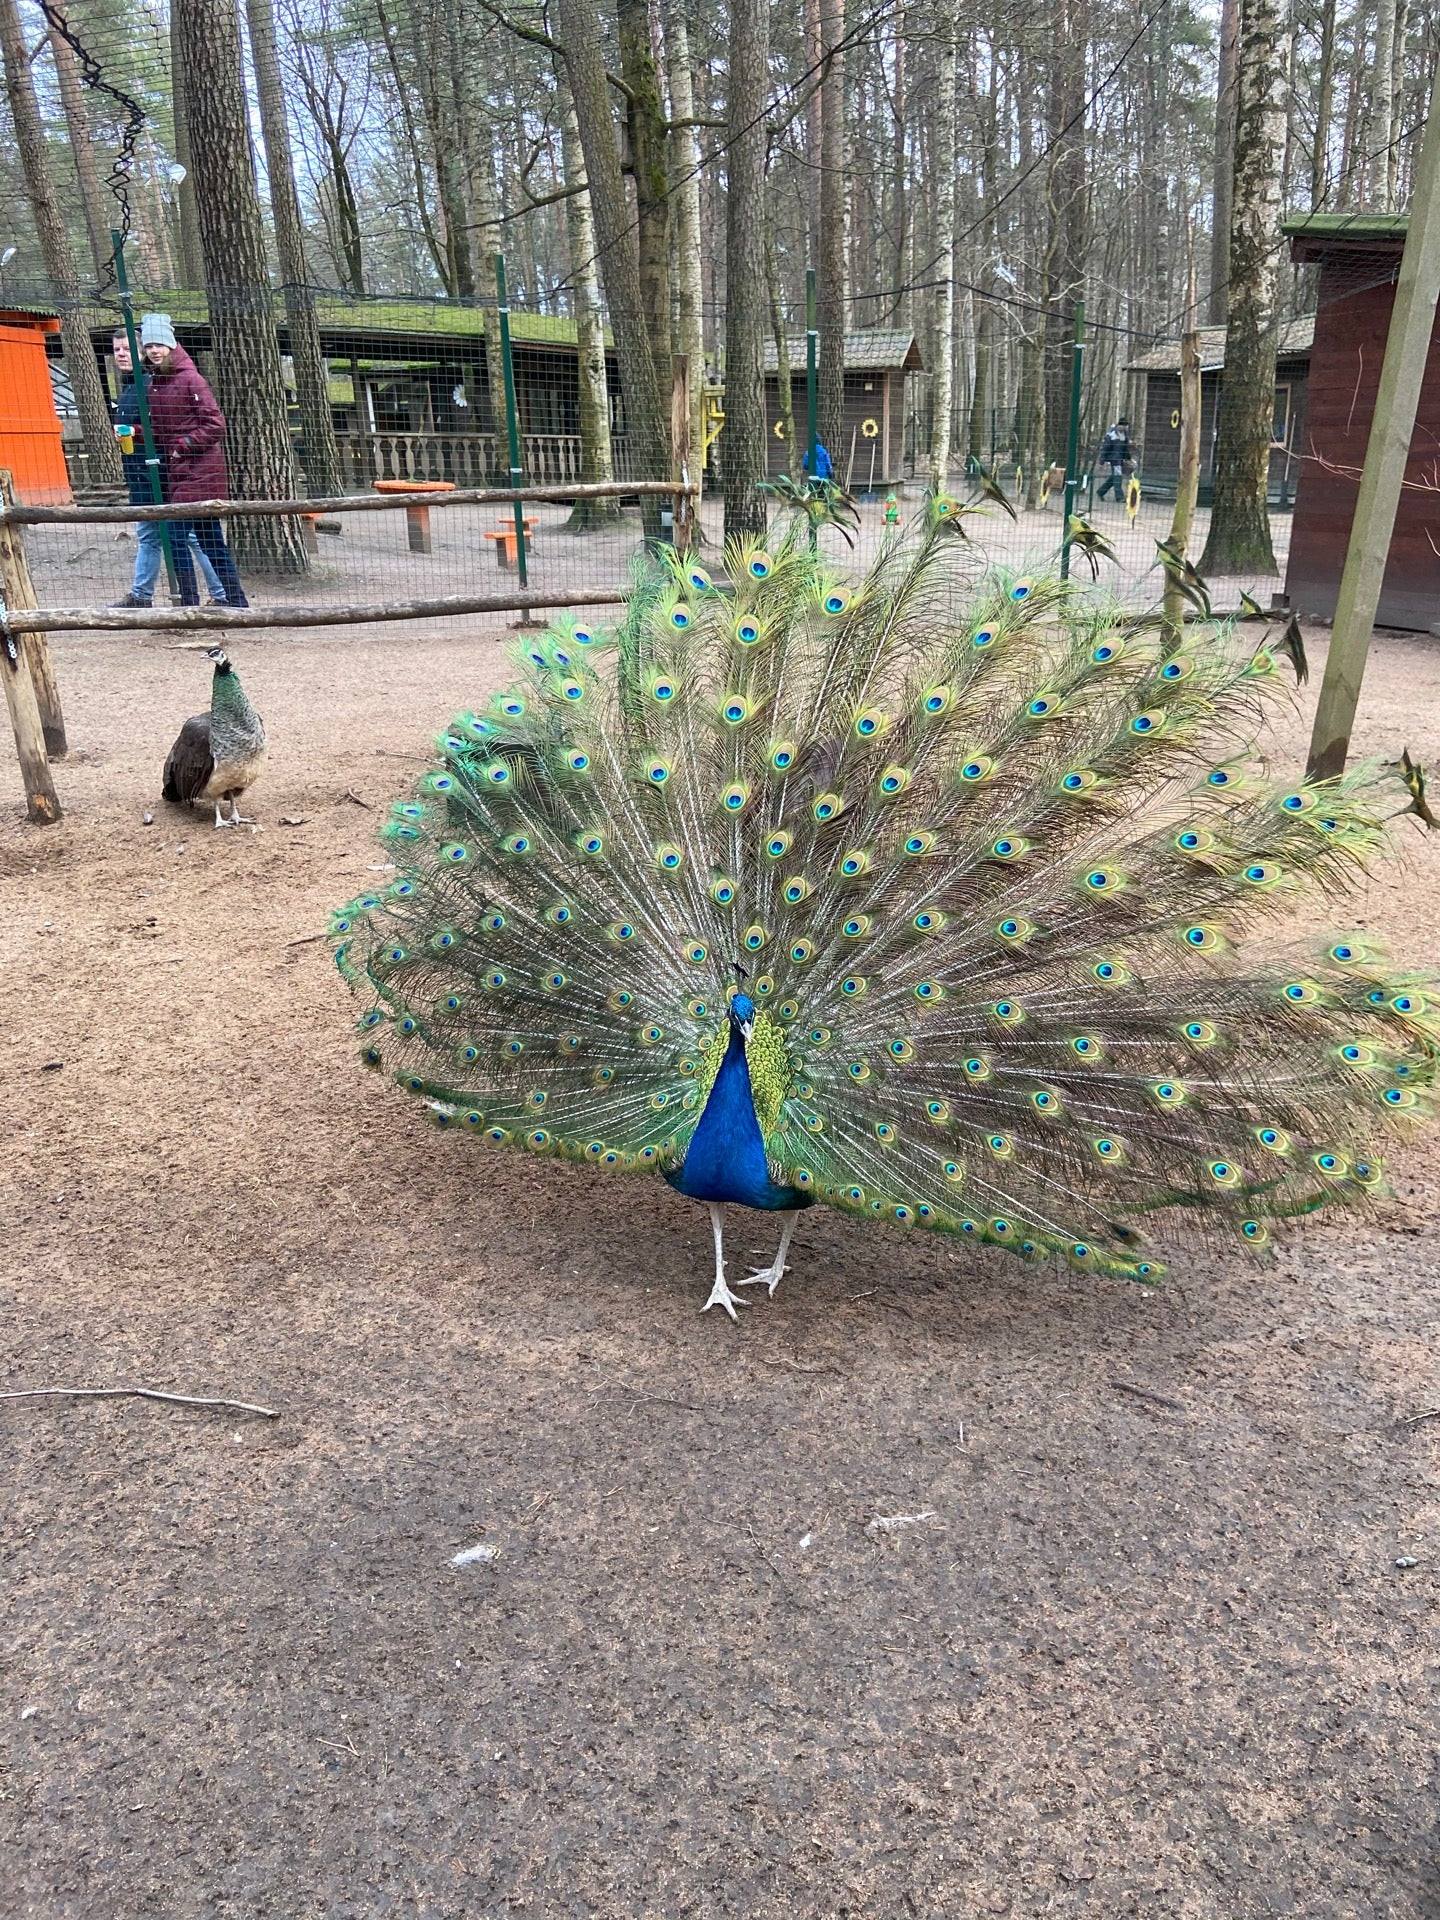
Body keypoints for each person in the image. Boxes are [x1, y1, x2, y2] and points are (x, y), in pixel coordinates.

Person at [108, 331, 226, 609]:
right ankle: (143, 595)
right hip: (140, 473)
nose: (121, 354)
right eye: (116, 350)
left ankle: (218, 595)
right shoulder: (130, 387)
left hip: (161, 473)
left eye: (127, 348)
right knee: (153, 535)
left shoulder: (152, 385)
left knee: (192, 536)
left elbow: (165, 429)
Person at [137, 313, 248, 608]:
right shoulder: (155, 384)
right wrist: (135, 432)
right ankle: (237, 602)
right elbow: (160, 430)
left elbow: (215, 424)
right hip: (181, 472)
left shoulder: (190, 378)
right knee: (212, 542)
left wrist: (184, 445)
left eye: (160, 344)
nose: (155, 351)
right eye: (149, 346)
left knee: (174, 537)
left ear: (171, 346)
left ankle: (188, 604)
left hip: (200, 472)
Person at [1096, 417, 1133, 504]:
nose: (1125, 428)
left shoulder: (1125, 434)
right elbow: (1105, 448)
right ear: (1119, 425)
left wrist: (1128, 457)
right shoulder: (1111, 435)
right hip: (1114, 459)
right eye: (1124, 426)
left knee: (1114, 478)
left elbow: (1125, 448)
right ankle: (1119, 497)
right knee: (1118, 477)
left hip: (1121, 459)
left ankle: (1101, 491)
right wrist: (1102, 461)